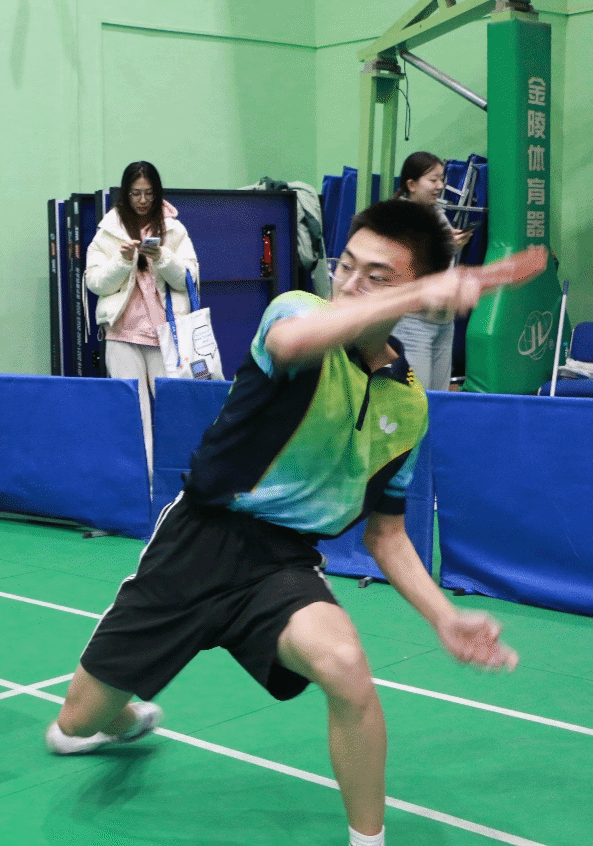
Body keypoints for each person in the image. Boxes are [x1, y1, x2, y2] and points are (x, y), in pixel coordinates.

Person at [47, 199, 547, 846]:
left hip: (280, 563)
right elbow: (292, 343)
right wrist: (420, 291)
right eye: (347, 266)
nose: (350, 284)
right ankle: (115, 718)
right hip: (197, 542)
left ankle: (368, 839)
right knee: (75, 726)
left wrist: (445, 618)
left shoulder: (408, 406)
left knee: (346, 666)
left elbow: (386, 534)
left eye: (377, 277)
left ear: (417, 289)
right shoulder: (296, 312)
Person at [85, 161, 200, 474]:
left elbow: (189, 279)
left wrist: (162, 257)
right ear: (126, 194)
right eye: (136, 193)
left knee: (172, 408)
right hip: (122, 335)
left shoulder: (174, 229)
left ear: (157, 192)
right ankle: (141, 479)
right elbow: (96, 283)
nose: (143, 200)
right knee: (133, 413)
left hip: (166, 335)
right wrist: (123, 261)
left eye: (149, 193)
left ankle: (175, 476)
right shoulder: (108, 232)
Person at [389, 152, 475, 391]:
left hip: (443, 320)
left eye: (442, 179)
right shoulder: (397, 217)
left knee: (439, 395)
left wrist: (454, 243)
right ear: (412, 184)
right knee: (418, 394)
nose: (440, 186)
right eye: (433, 180)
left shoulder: (437, 213)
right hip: (412, 322)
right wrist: (445, 245)